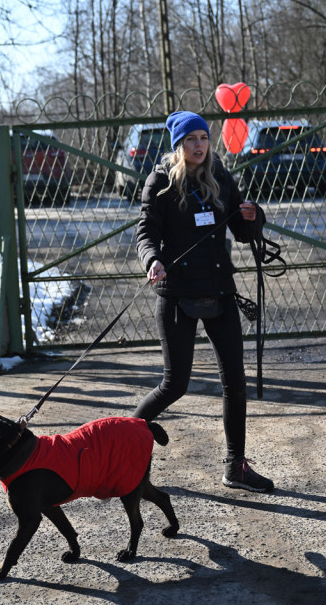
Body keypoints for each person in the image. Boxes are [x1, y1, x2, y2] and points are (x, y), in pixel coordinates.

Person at [133, 110, 273, 493]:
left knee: (235, 382)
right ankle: (126, 451)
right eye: (191, 139)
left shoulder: (221, 177)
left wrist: (253, 216)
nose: (199, 145)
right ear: (179, 144)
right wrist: (153, 260)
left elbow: (242, 231)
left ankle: (236, 466)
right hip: (177, 292)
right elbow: (145, 234)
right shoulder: (161, 182)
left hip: (219, 289)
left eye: (204, 138)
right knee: (174, 384)